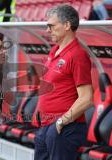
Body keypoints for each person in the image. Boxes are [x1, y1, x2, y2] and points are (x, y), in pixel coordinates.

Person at [34, 4, 93, 160]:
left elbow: (86, 98)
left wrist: (60, 123)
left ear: (67, 25)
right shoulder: (54, 51)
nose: (48, 30)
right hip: (46, 126)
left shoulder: (78, 55)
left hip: (64, 128)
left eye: (51, 26)